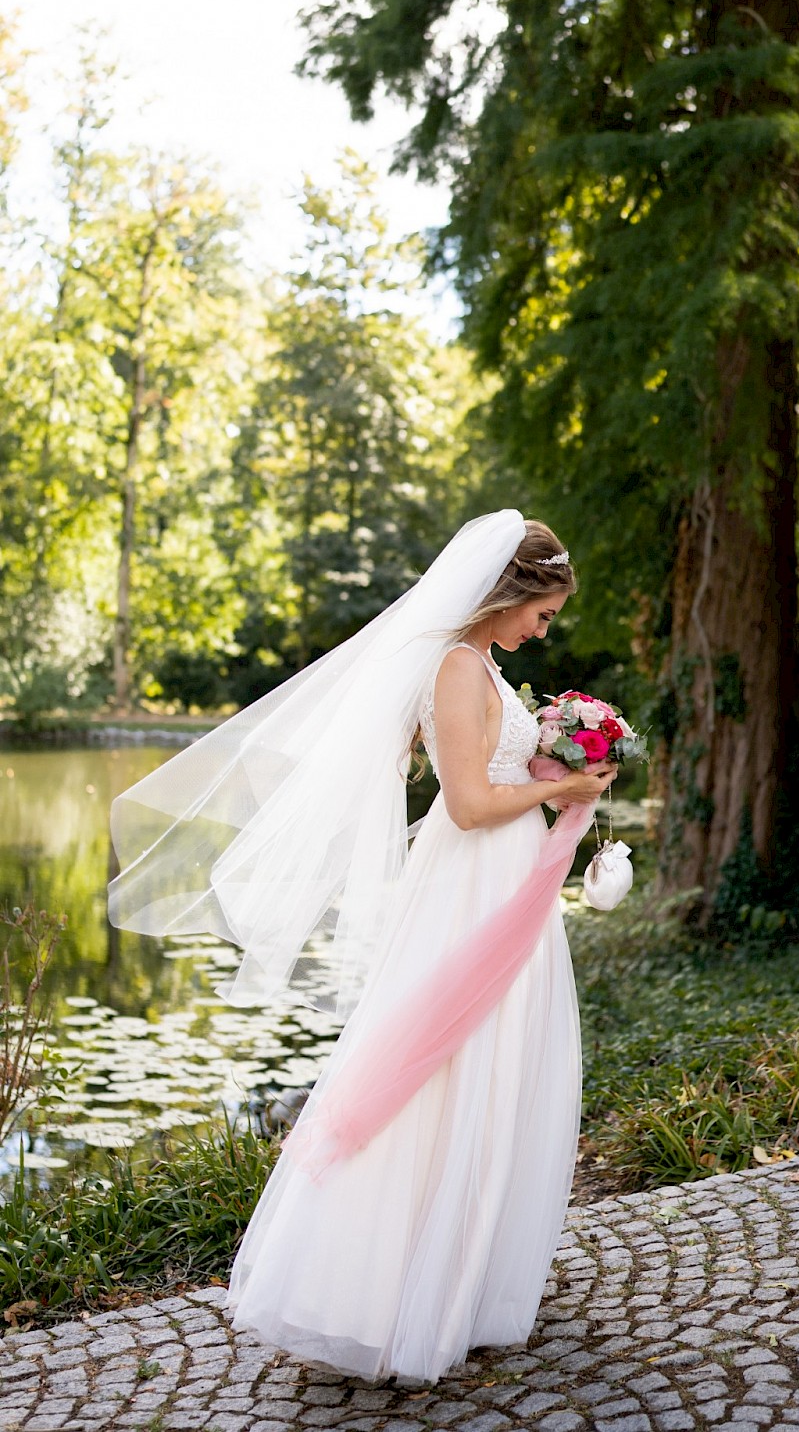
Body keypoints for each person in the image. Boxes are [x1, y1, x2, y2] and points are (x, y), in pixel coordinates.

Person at [108, 510, 615, 1384]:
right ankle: (383, 1288)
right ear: (508, 594)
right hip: (467, 885)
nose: (543, 630)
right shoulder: (457, 669)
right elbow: (461, 804)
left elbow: (494, 775)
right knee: (442, 1068)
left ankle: (465, 1274)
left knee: (493, 1068)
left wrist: (554, 772)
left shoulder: (484, 668)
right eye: (542, 614)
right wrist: (568, 781)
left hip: (503, 880)